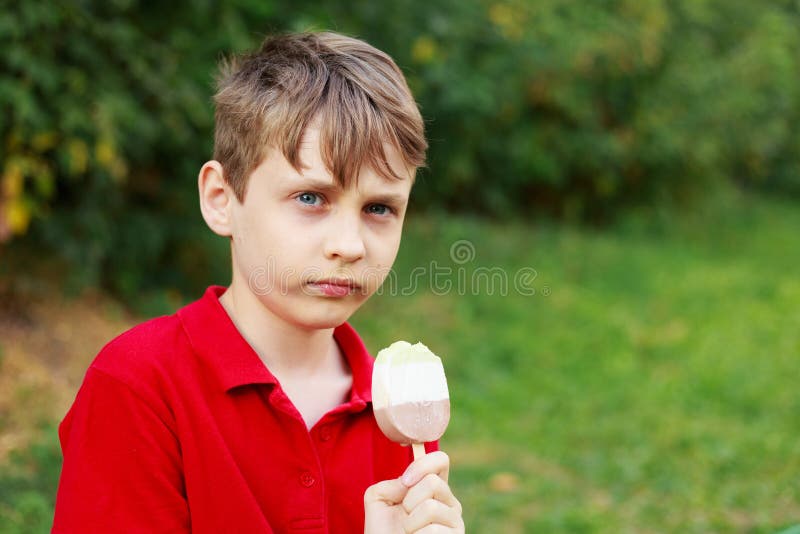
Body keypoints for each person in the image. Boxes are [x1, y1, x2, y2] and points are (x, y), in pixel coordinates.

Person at [51, 31, 464, 533]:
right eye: (311, 198)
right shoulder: (140, 387)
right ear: (222, 199)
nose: (351, 245)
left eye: (380, 208)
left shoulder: (396, 411)